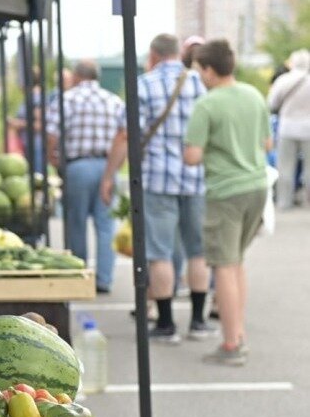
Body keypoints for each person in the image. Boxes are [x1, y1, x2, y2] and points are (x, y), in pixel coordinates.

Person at [100, 34, 215, 343]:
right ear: (178, 54)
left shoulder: (143, 84)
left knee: (160, 253)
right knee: (199, 251)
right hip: (197, 178)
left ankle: (165, 324)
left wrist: (109, 175)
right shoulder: (201, 83)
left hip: (156, 180)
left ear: (152, 55)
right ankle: (198, 322)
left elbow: (126, 136)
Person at [184, 39, 272, 366]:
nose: (200, 77)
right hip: (257, 185)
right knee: (235, 263)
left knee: (222, 265)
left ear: (209, 69)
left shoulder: (207, 104)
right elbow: (267, 141)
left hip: (225, 191)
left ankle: (232, 344)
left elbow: (192, 156)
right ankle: (240, 332)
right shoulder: (253, 95)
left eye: (200, 70)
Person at [46, 59, 124, 293]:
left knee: (76, 223)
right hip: (107, 167)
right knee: (105, 225)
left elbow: (51, 134)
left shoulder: (65, 99)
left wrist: (54, 158)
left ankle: (80, 277)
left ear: (77, 76)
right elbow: (125, 136)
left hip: (77, 167)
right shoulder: (114, 101)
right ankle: (104, 279)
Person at [267, 48, 310, 210]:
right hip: (308, 128)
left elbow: (272, 103)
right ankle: (307, 201)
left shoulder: (283, 80)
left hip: (287, 127)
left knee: (285, 166)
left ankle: (284, 202)